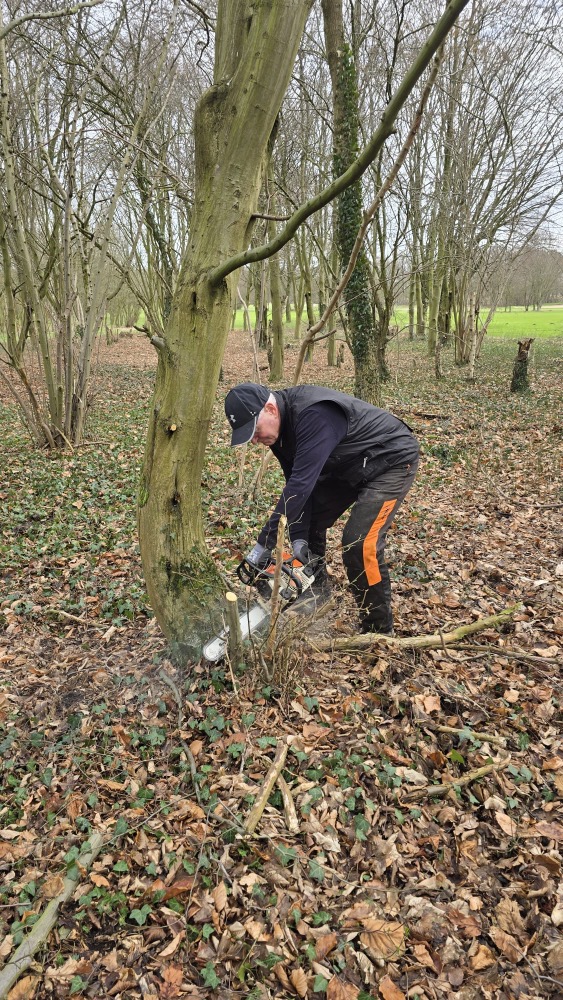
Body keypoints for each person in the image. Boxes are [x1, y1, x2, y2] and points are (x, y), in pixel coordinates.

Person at [224, 382, 419, 635]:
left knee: (360, 544)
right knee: (310, 520)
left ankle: (378, 629)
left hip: (389, 461)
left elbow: (300, 486)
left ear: (271, 409)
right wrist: (300, 541)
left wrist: (264, 544)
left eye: (256, 431)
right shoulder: (279, 434)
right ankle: (317, 597)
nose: (256, 441)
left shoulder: (314, 414)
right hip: (347, 465)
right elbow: (296, 488)